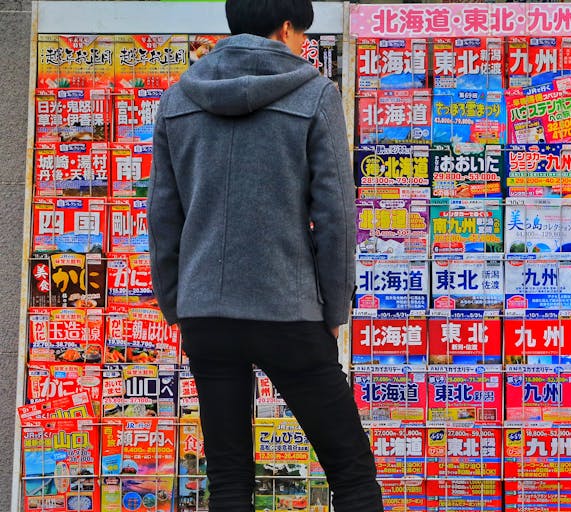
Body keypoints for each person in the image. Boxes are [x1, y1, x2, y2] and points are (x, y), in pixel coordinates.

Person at [148, 1, 383, 511]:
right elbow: (337, 216)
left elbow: (163, 219)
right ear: (285, 28)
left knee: (229, 480)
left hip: (206, 310)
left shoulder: (178, 100)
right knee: (352, 473)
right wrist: (334, 310)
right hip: (288, 307)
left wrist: (177, 305)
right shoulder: (316, 95)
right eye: (301, 35)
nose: (302, 46)